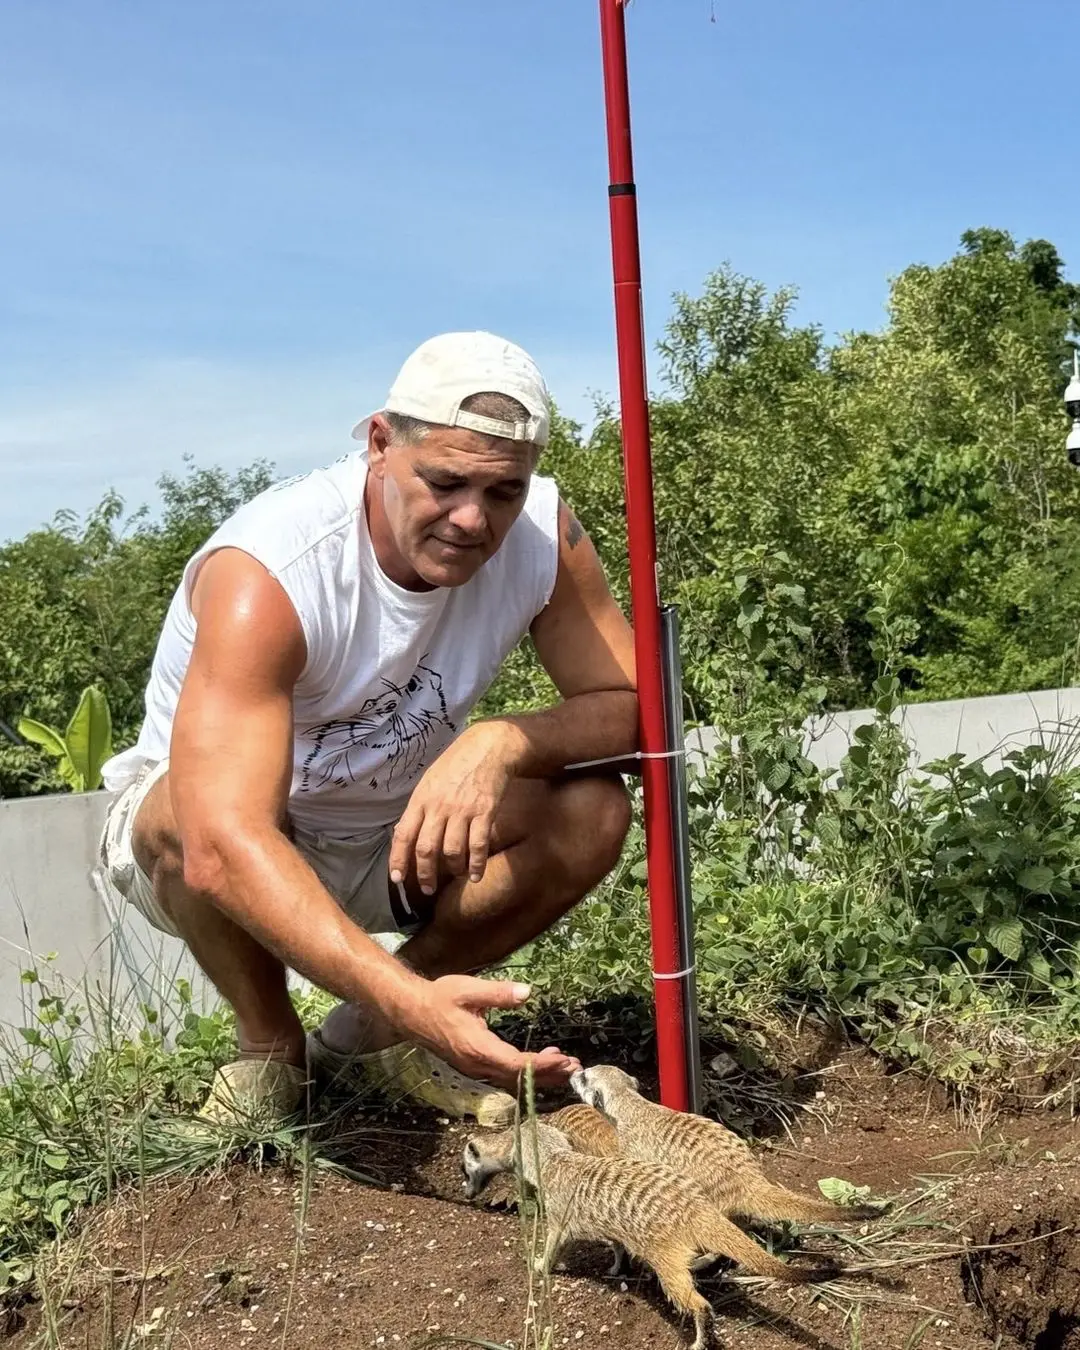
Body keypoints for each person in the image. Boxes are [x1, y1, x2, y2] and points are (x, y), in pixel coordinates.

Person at [97, 330, 637, 1130]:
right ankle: (273, 1053)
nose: (472, 520)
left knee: (593, 808)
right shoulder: (273, 569)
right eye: (445, 482)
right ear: (382, 444)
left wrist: (503, 740)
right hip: (240, 843)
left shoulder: (545, 540)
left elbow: (633, 705)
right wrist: (426, 1008)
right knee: (184, 812)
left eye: (503, 492)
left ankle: (367, 1038)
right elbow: (219, 844)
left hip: (397, 829)